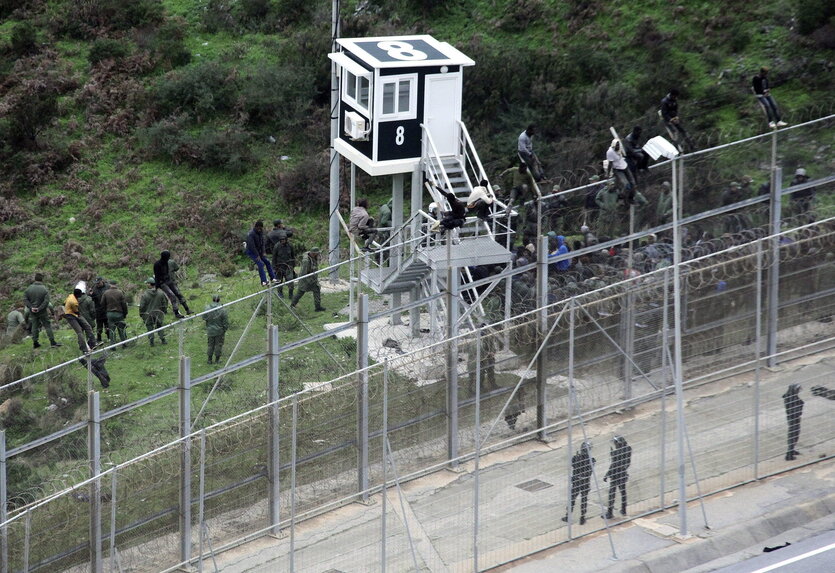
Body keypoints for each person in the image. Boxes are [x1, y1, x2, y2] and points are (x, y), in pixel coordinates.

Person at [562, 441, 595, 525]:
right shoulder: (591, 460)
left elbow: (573, 464)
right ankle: (582, 517)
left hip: (577, 481)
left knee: (572, 499)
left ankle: (568, 516)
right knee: (584, 500)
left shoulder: (576, 458)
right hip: (585, 482)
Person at [24, 273, 60, 349]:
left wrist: (31, 307)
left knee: (34, 326)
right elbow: (46, 301)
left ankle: (35, 342)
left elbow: (25, 300)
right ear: (42, 279)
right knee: (47, 326)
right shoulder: (44, 289)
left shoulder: (28, 289)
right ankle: (52, 342)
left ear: (35, 279)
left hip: (32, 311)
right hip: (42, 311)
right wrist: (39, 308)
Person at [602, 435, 632, 519]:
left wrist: (607, 474)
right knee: (623, 492)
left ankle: (610, 512)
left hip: (615, 475)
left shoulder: (615, 453)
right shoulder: (628, 449)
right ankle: (623, 509)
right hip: (623, 473)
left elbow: (613, 465)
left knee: (612, 493)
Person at [62, 283, 96, 354]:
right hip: (70, 315)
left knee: (87, 326)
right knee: (79, 331)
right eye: (80, 295)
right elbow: (76, 311)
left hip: (73, 313)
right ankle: (84, 348)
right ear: (78, 295)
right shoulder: (74, 302)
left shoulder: (71, 295)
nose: (80, 297)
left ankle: (93, 343)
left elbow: (64, 303)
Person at [467, 324, 500, 396]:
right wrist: (488, 353)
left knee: (490, 371)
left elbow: (492, 347)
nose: (485, 331)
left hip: (487, 358)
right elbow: (478, 352)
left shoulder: (488, 337)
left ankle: (492, 384)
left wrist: (492, 352)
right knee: (477, 375)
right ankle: (474, 389)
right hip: (477, 360)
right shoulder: (475, 340)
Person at [290, 247, 326, 312]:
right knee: (300, 292)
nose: (318, 254)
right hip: (305, 280)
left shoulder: (313, 258)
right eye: (317, 253)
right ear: (313, 253)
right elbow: (304, 273)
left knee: (317, 290)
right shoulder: (306, 261)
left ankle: (318, 307)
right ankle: (292, 305)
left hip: (312, 278)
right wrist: (308, 281)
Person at [154, 251, 187, 319]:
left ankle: (187, 309)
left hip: (168, 280)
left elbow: (167, 272)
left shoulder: (166, 262)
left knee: (178, 293)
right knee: (172, 296)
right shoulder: (157, 264)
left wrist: (170, 280)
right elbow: (157, 276)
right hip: (162, 283)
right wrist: (157, 286)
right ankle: (176, 313)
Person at [245, 220, 278, 286]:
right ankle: (263, 281)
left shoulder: (260, 233)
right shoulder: (250, 234)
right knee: (260, 264)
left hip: (259, 251)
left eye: (261, 228)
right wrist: (257, 255)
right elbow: (252, 246)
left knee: (267, 262)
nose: (260, 229)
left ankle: (273, 278)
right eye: (259, 228)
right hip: (252, 252)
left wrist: (263, 252)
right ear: (256, 227)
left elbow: (263, 243)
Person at [139, 277, 168, 346]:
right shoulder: (161, 293)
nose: (146, 284)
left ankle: (151, 342)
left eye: (147, 283)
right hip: (159, 313)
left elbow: (142, 306)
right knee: (160, 326)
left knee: (150, 328)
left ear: (150, 284)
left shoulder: (145, 295)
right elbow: (165, 303)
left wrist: (141, 314)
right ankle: (163, 340)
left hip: (148, 314)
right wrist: (163, 311)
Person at [606, 139, 636, 204]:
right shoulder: (610, 152)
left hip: (624, 166)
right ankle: (621, 196)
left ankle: (631, 198)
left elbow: (625, 153)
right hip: (617, 169)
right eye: (616, 146)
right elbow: (610, 164)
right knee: (626, 185)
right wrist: (608, 174)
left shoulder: (620, 147)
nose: (618, 147)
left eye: (618, 146)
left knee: (633, 183)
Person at [203, 295, 229, 364]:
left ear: (212, 299)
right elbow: (225, 321)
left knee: (210, 345)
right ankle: (217, 360)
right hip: (219, 330)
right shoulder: (222, 309)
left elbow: (204, 317)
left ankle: (209, 360)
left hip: (210, 330)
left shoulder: (207, 308)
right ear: (219, 300)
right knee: (218, 345)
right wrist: (224, 329)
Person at [271, 235, 296, 299]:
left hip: (288, 266)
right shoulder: (277, 246)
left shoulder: (290, 246)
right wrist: (274, 267)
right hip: (279, 266)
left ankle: (291, 294)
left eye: (284, 240)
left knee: (290, 280)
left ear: (286, 240)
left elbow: (293, 256)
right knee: (279, 281)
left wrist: (293, 265)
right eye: (281, 240)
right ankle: (280, 293)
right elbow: (274, 257)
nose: (282, 241)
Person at [783, 383, 803, 461]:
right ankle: (789, 455)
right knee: (793, 435)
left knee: (795, 435)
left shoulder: (792, 396)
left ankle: (792, 450)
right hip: (793, 419)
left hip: (795, 418)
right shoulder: (790, 398)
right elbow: (793, 410)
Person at [91, 276, 110, 342]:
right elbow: (91, 299)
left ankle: (109, 337)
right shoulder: (94, 288)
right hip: (98, 309)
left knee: (107, 324)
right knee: (99, 326)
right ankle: (99, 338)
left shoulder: (108, 286)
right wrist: (91, 294)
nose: (97, 284)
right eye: (96, 283)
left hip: (107, 308)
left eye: (98, 283)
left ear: (102, 281)